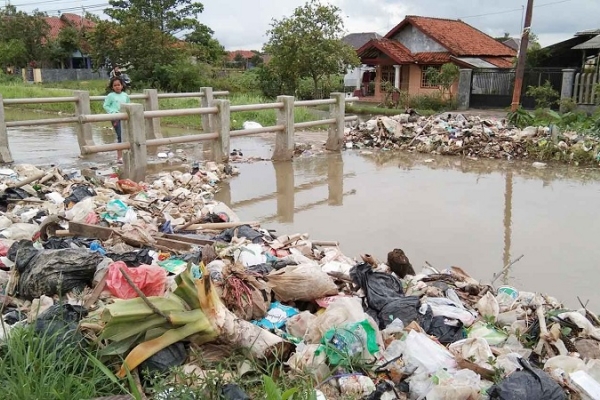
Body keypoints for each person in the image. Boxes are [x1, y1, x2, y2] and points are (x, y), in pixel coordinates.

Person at [103, 76, 130, 164]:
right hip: (116, 118)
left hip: (125, 118)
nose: (117, 87)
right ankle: (119, 157)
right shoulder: (110, 96)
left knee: (127, 136)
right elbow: (105, 105)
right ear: (112, 87)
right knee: (120, 136)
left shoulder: (125, 95)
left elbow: (129, 105)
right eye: (115, 85)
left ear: (122, 86)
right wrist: (112, 112)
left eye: (119, 85)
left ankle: (128, 155)